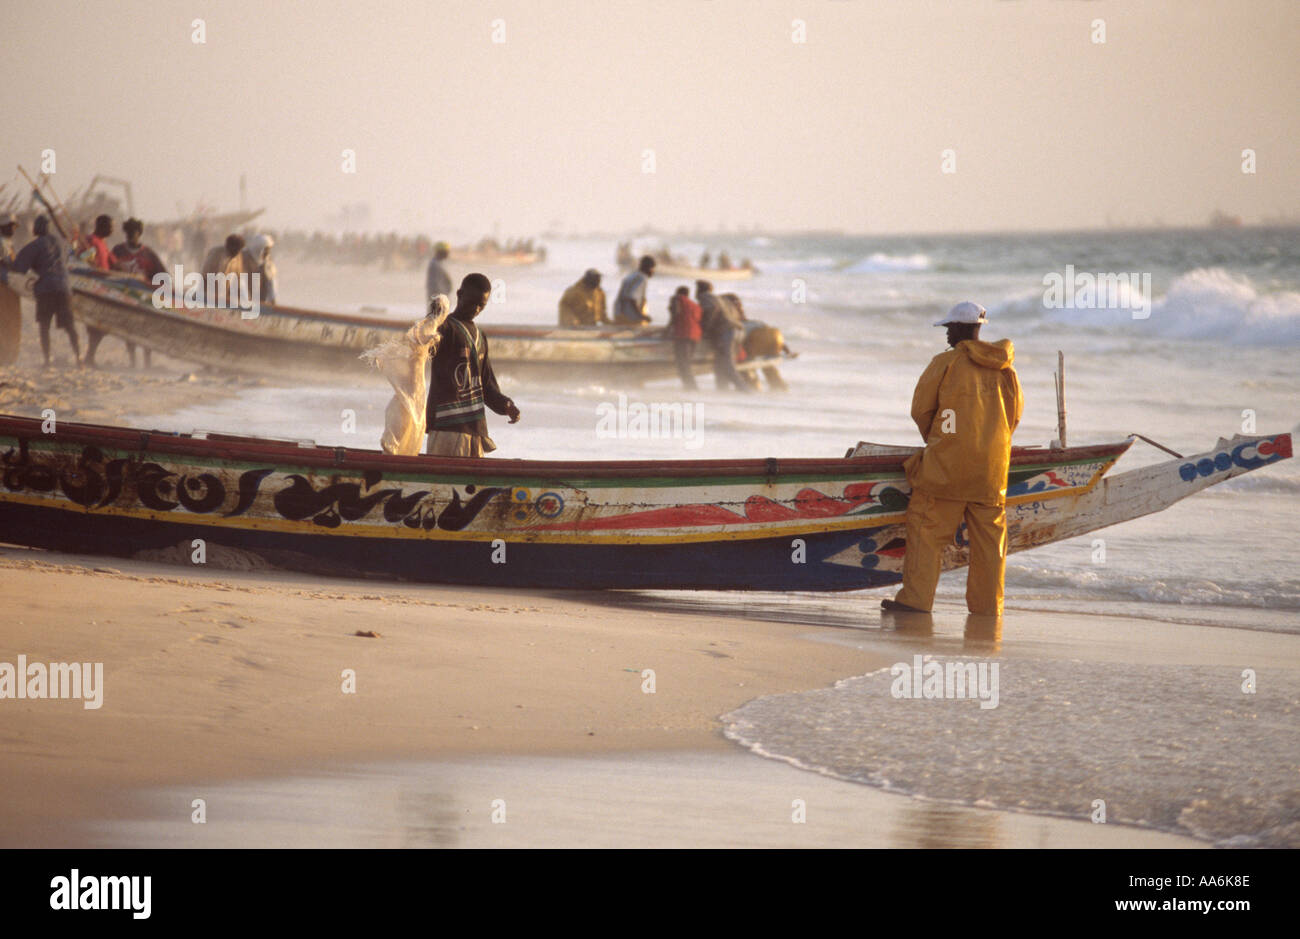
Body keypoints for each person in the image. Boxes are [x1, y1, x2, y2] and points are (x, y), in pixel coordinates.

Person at [883, 302, 1024, 618]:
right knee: (990, 548)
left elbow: (921, 411)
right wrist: (988, 445)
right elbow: (1013, 418)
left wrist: (941, 442)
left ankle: (916, 602)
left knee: (926, 533)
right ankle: (988, 609)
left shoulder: (945, 363)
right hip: (992, 473)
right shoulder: (1007, 369)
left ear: (962, 329)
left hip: (946, 470)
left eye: (949, 328)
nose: (947, 333)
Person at [425, 273, 520, 457]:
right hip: (447, 428)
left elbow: (486, 385)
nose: (476, 309)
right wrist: (433, 317)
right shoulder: (446, 328)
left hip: (475, 429)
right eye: (472, 302)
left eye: (481, 305)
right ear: (459, 295)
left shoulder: (480, 337)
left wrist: (506, 405)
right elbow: (425, 342)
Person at [2, 215, 81, 367]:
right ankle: (79, 358)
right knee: (70, 326)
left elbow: (19, 269)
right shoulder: (62, 243)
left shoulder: (34, 246)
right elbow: (74, 259)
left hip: (46, 289)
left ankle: (47, 360)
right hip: (64, 287)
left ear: (37, 229)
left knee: (44, 326)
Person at [110, 217, 166, 368]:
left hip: (145, 298)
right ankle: (132, 361)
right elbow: (107, 270)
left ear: (139, 233)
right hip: (124, 296)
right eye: (128, 232)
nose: (131, 235)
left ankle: (147, 361)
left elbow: (162, 275)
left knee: (147, 330)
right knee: (129, 330)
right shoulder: (117, 251)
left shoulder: (148, 253)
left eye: (134, 232)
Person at [695, 280, 749, 392]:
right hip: (735, 330)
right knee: (719, 365)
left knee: (727, 364)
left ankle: (746, 391)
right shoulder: (718, 298)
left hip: (726, 332)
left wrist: (706, 329)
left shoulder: (705, 298)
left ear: (700, 290)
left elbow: (712, 311)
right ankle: (722, 392)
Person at [740, 319, 795, 391]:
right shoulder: (754, 323)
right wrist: (787, 351)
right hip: (775, 337)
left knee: (746, 366)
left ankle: (754, 387)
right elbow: (775, 337)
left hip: (758, 338)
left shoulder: (738, 327)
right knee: (767, 364)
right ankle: (780, 387)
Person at [668, 285, 702, 390]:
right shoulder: (694, 305)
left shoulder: (677, 299)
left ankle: (692, 388)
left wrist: (668, 329)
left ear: (678, 293)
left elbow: (675, 315)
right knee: (686, 362)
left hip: (684, 334)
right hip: (695, 336)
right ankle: (689, 387)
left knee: (683, 363)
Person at [613, 255, 655, 325]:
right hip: (631, 318)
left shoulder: (632, 275)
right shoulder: (642, 278)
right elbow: (632, 298)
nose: (653, 271)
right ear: (649, 268)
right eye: (653, 268)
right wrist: (642, 316)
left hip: (619, 314)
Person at [243, 233, 277, 303]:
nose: (268, 252)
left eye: (268, 249)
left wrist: (273, 301)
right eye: (266, 249)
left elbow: (271, 283)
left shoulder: (268, 263)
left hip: (259, 302)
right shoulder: (243, 258)